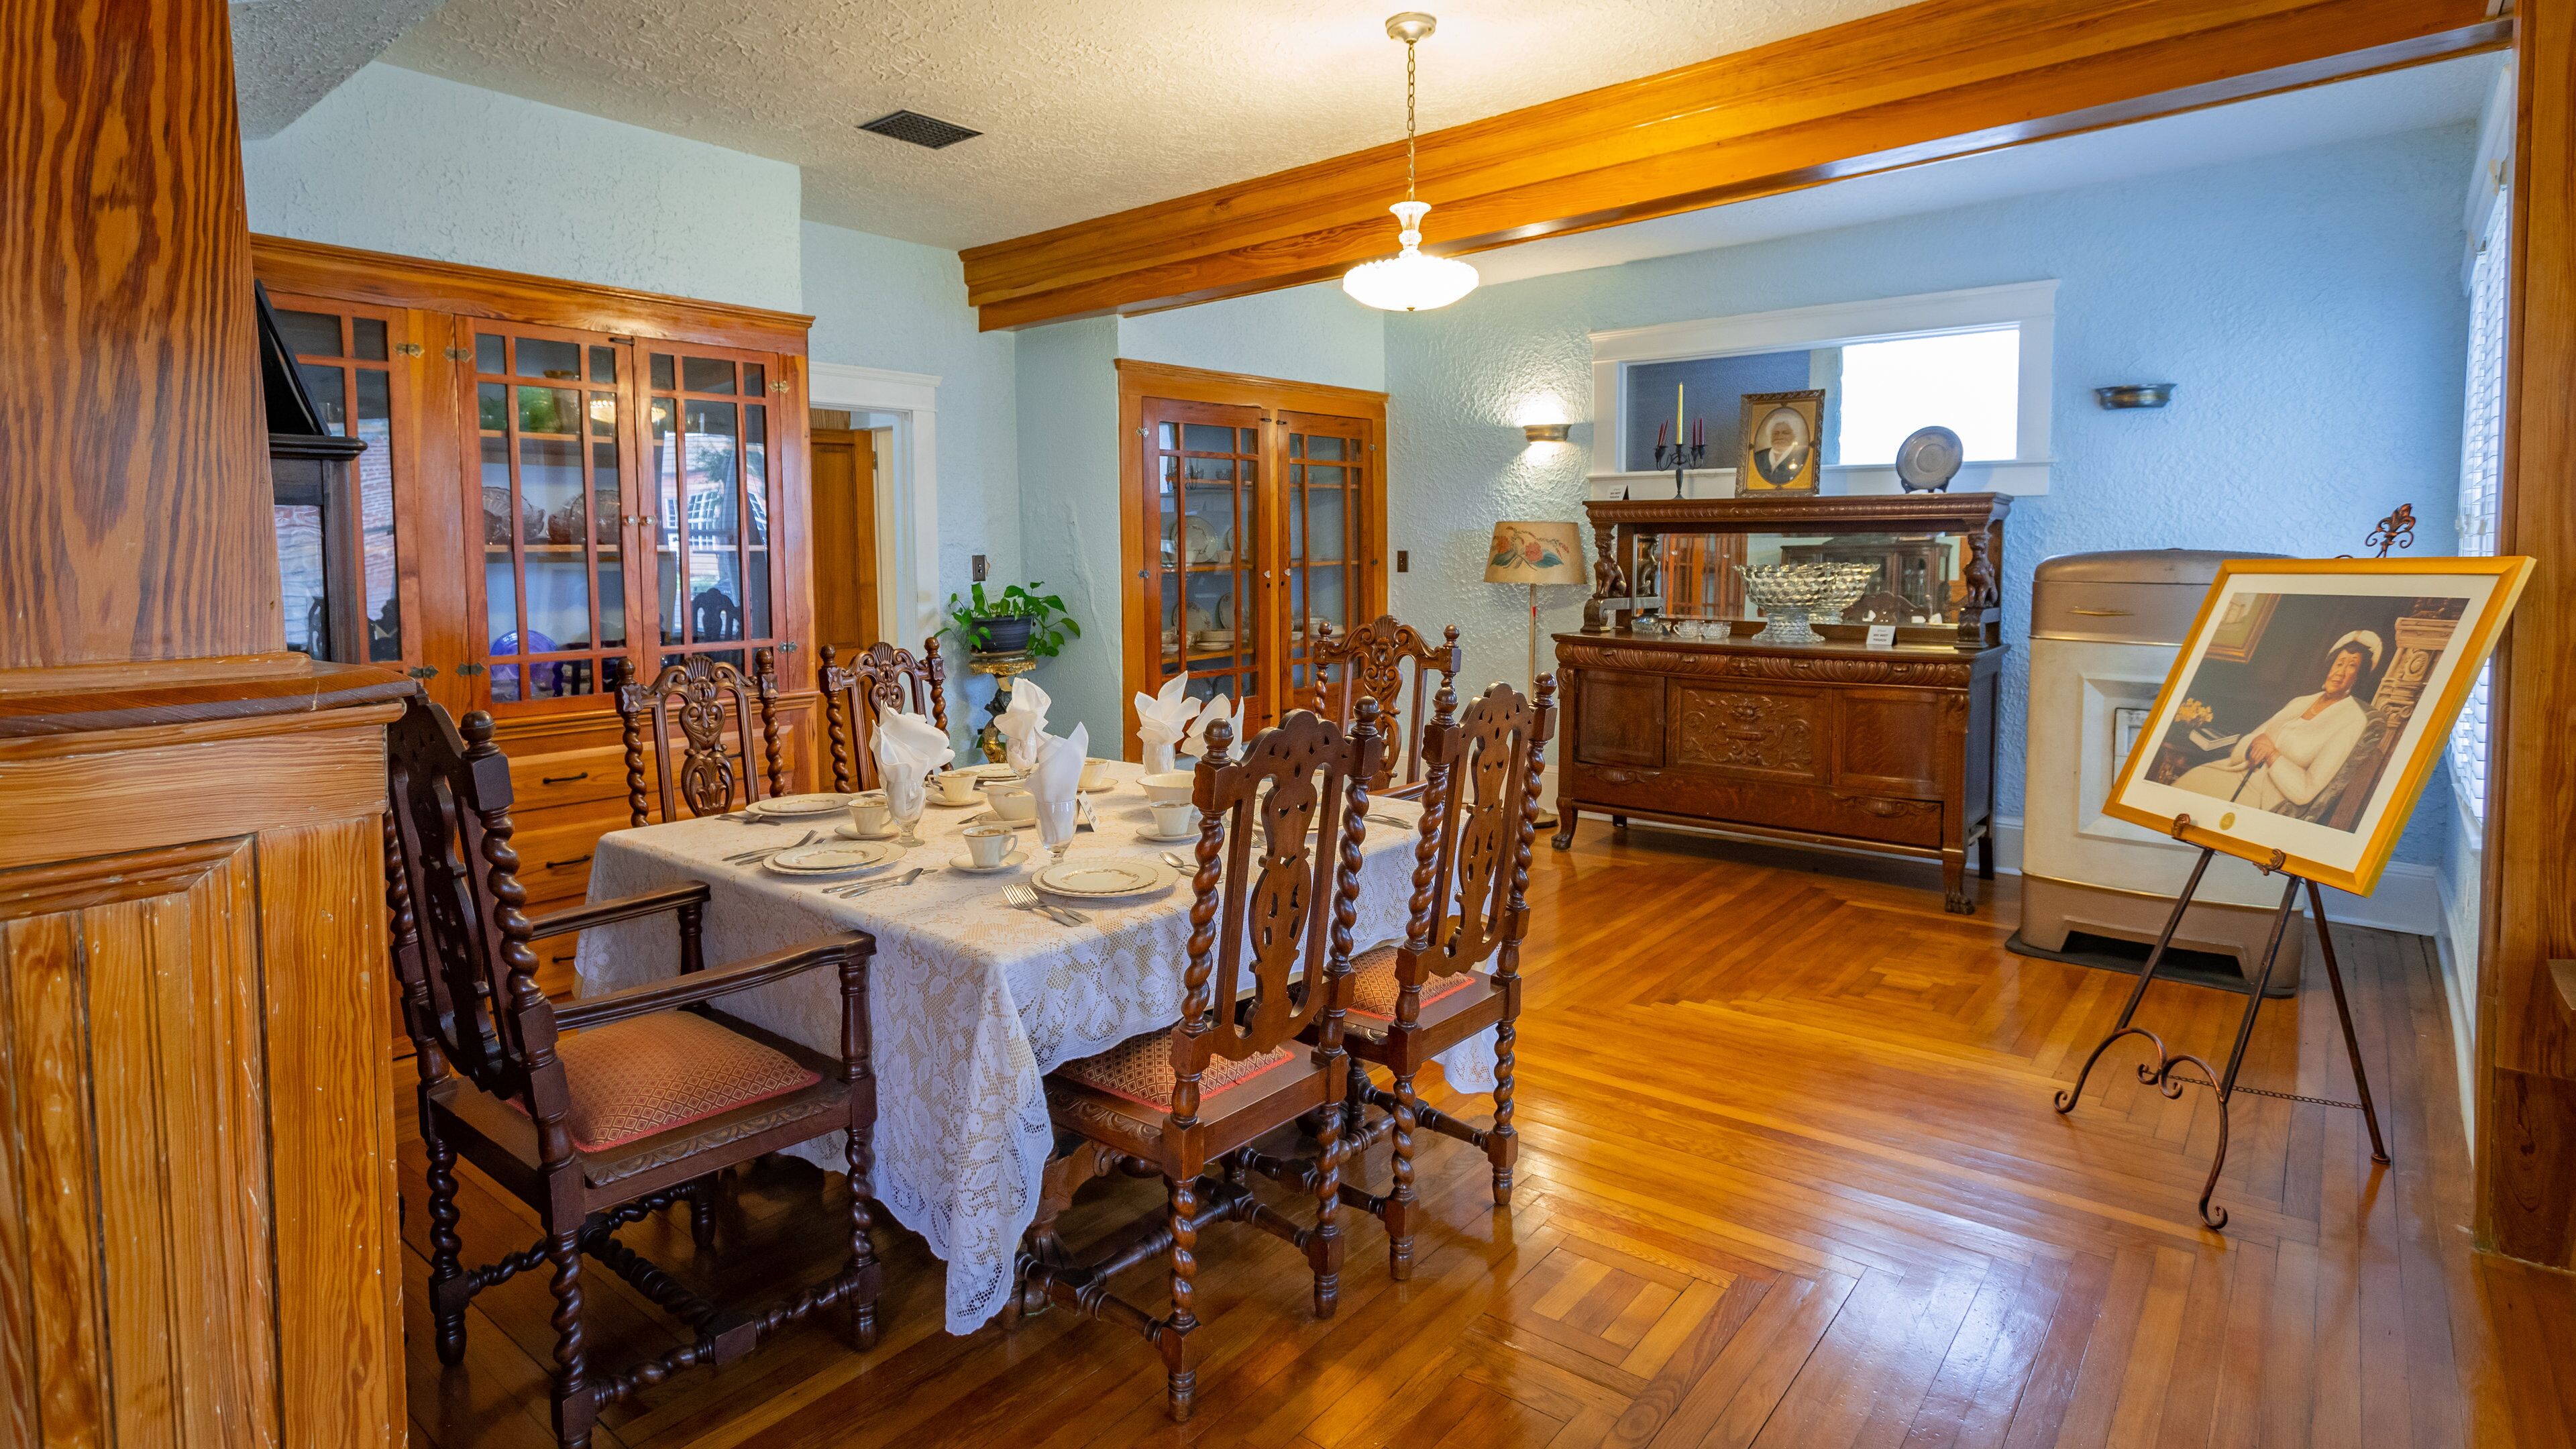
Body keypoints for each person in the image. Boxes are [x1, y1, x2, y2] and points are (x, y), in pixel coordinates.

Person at [2174, 631, 2381, 816]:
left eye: (2352, 665)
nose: (2340, 672)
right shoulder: (2299, 702)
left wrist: (2272, 754)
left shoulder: (2353, 720)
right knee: (2190, 783)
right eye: (2339, 663)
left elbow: (2306, 791)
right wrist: (2254, 745)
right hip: (2238, 772)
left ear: (2358, 677)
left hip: (2265, 798)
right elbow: (2248, 742)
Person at [1750, 409, 1811, 486]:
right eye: (1775, 433)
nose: (1780, 437)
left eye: (1786, 433)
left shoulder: (1803, 456)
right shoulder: (1758, 457)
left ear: (1795, 435)